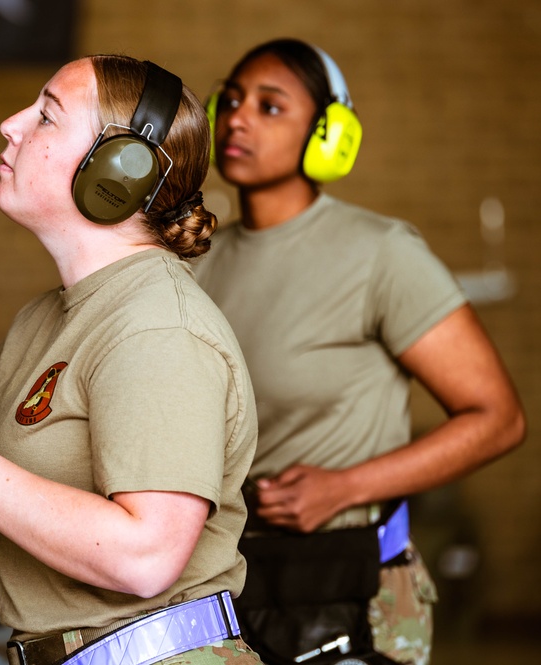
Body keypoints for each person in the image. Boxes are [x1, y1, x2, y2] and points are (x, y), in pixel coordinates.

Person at [0, 55, 264, 665]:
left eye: (46, 117)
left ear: (117, 170)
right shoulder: (46, 319)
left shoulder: (157, 327)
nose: (11, 124)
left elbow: (145, 556)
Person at [194, 38, 526, 665]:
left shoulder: (382, 254)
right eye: (230, 100)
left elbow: (498, 419)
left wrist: (345, 487)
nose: (236, 117)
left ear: (329, 135)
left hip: (353, 586)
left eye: (270, 106)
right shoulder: (192, 268)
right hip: (229, 584)